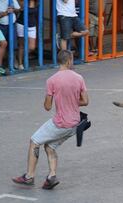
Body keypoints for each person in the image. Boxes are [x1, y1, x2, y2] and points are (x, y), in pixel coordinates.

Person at [12, 50, 89, 190]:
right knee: (50, 147)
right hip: (74, 124)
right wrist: (72, 101)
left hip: (60, 123)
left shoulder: (52, 80)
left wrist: (58, 99)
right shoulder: (79, 78)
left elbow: (47, 106)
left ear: (60, 61)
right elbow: (85, 101)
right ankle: (51, 176)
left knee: (34, 141)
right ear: (69, 61)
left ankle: (29, 176)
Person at [16, 0, 37, 70]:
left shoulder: (37, 2)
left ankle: (19, 57)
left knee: (32, 47)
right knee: (21, 45)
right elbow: (20, 8)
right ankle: (20, 63)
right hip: (21, 24)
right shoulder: (23, 1)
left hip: (32, 25)